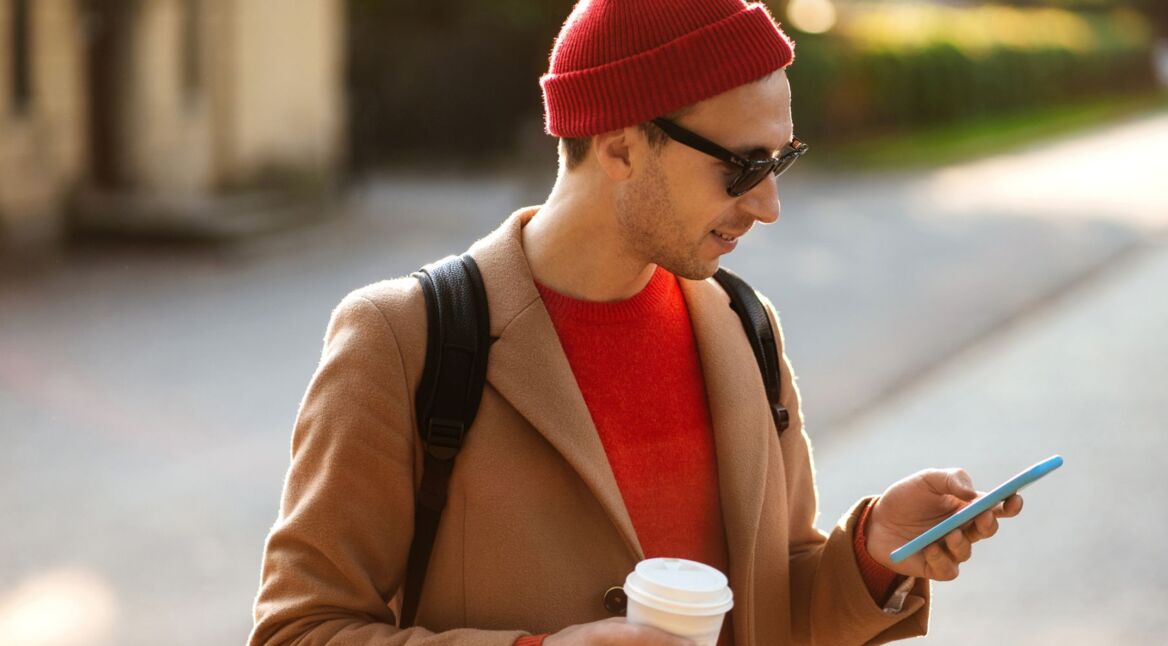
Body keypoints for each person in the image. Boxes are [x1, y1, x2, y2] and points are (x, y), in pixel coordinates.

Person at [249, 1, 1024, 644]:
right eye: (743, 167)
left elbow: (771, 604)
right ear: (621, 146)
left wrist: (873, 553)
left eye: (779, 162)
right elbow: (301, 629)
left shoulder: (744, 327)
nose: (768, 205)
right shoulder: (402, 338)